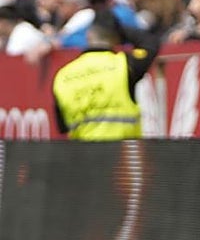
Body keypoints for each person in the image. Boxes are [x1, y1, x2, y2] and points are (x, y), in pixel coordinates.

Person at [52, 8, 159, 141]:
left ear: (88, 36)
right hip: (124, 155)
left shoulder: (62, 76)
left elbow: (63, 127)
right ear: (115, 37)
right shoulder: (124, 64)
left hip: (84, 157)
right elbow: (151, 43)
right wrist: (122, 31)